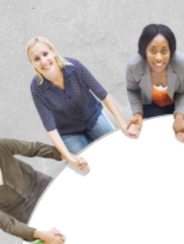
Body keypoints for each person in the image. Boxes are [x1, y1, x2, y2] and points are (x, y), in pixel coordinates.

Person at [27, 36, 135, 174]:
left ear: (53, 52)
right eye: (36, 58)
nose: (43, 61)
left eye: (45, 54)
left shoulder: (74, 67)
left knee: (117, 151)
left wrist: (123, 124)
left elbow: (103, 94)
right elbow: (50, 128)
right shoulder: (37, 89)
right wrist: (69, 158)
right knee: (86, 166)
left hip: (93, 117)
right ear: (32, 63)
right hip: (69, 133)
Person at [125, 24, 184, 142]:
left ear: (171, 51)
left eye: (164, 51)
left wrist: (179, 116)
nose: (159, 57)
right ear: (144, 50)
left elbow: (183, 92)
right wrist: (138, 113)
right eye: (153, 51)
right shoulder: (134, 66)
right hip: (152, 103)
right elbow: (132, 90)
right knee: (157, 138)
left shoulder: (183, 63)